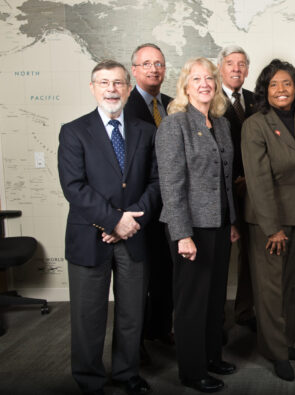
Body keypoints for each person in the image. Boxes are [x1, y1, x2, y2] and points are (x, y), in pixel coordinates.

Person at [58, 59, 158, 395]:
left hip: (134, 234)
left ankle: (127, 372)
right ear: (93, 88)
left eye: (118, 83)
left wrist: (131, 220)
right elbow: (74, 187)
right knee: (89, 317)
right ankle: (89, 380)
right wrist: (115, 220)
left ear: (129, 89)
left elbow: (156, 183)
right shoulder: (73, 131)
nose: (111, 89)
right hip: (90, 237)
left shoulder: (147, 131)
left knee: (132, 313)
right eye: (104, 83)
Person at [156, 57, 239, 393]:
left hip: (219, 224)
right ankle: (192, 370)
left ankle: (211, 357)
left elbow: (226, 179)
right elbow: (171, 186)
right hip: (190, 228)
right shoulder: (173, 126)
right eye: (197, 79)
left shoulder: (220, 124)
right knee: (192, 302)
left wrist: (231, 221)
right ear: (185, 86)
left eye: (209, 78)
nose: (204, 84)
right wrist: (182, 234)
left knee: (215, 298)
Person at [241, 59, 295, 382]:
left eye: (287, 83)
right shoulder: (255, 124)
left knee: (288, 285)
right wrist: (272, 228)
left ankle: (286, 342)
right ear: (265, 91)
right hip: (267, 220)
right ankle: (275, 352)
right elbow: (257, 181)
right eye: (274, 85)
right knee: (270, 289)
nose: (281, 89)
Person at [123, 43, 175, 359]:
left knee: (165, 271)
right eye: (146, 63)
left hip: (169, 205)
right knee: (137, 280)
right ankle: (136, 342)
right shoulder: (124, 106)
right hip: (139, 203)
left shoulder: (172, 104)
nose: (153, 69)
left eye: (158, 63)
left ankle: (159, 328)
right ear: (135, 70)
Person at [217, 45, 258, 333]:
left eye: (242, 64)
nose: (236, 69)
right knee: (218, 259)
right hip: (221, 193)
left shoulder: (256, 100)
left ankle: (245, 310)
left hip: (253, 192)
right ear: (220, 67)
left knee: (251, 255)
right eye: (231, 63)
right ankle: (215, 319)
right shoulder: (209, 97)